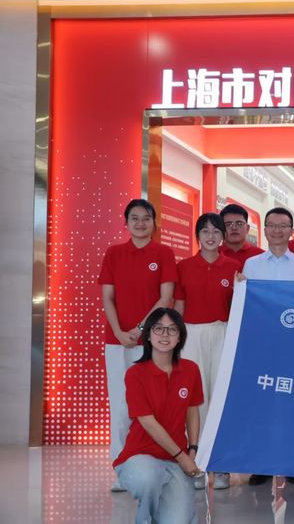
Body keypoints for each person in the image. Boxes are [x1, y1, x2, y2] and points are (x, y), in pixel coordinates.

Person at [99, 198, 177, 492]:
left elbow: (165, 297)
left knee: (156, 406)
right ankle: (122, 469)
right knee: (121, 406)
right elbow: (107, 297)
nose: (141, 223)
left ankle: (158, 467)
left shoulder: (164, 253)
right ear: (126, 223)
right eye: (135, 218)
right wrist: (119, 332)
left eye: (146, 218)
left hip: (154, 341)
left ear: (154, 223)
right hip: (117, 341)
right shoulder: (114, 253)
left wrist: (141, 329)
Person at [113, 307, 203, 524]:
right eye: (158, 328)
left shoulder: (191, 370)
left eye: (172, 329)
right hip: (139, 456)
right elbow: (148, 422)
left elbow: (192, 411)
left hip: (174, 459)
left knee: (179, 520)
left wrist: (192, 449)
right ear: (148, 335)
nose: (165, 334)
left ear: (180, 337)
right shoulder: (135, 374)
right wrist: (182, 457)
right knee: (149, 478)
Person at [241, 206, 294, 486]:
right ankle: (263, 463)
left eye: (283, 226)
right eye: (272, 225)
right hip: (262, 343)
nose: (277, 230)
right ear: (264, 230)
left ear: (292, 231)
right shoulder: (252, 265)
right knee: (263, 403)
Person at [174, 212, 239, 490]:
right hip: (191, 334)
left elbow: (238, 308)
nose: (210, 236)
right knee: (195, 399)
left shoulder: (233, 267)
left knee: (221, 396)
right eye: (205, 231)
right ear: (197, 236)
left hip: (222, 333)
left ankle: (221, 465)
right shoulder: (184, 267)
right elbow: (178, 306)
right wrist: (175, 339)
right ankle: (197, 464)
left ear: (223, 236)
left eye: (216, 231)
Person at [219, 203, 264, 268]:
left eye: (239, 223)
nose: (234, 228)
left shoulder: (261, 256)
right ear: (221, 228)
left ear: (247, 228)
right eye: (228, 224)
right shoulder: (213, 255)